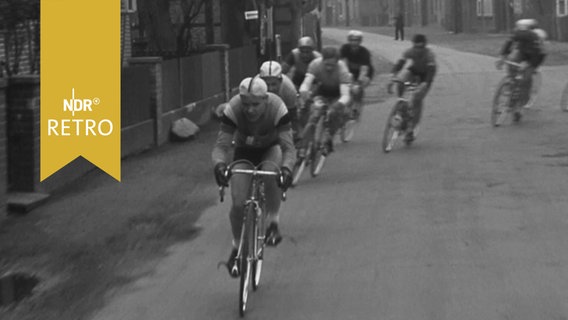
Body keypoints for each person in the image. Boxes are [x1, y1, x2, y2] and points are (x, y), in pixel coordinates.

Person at [212, 77, 296, 277]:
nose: (250, 110)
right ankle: (236, 249)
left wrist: (287, 169)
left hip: (271, 148)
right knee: (239, 203)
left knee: (270, 171)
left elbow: (288, 147)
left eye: (255, 104)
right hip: (244, 150)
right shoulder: (232, 109)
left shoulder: (277, 107)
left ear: (266, 99)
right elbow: (221, 146)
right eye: (246, 104)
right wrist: (219, 166)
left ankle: (273, 223)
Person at [299, 46, 352, 155]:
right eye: (326, 64)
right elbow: (307, 82)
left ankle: (329, 138)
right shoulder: (315, 64)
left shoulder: (342, 70)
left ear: (337, 62)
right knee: (314, 116)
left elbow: (345, 95)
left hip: (338, 94)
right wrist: (304, 92)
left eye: (331, 65)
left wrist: (338, 105)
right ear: (322, 59)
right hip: (322, 91)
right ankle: (303, 147)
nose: (328, 68)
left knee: (334, 115)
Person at [389, 34, 436, 143]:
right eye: (416, 47)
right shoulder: (410, 51)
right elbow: (401, 63)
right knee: (400, 80)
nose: (418, 50)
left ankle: (411, 129)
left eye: (421, 47)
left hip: (426, 76)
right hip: (414, 71)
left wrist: (425, 83)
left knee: (416, 98)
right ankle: (401, 102)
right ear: (413, 45)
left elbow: (431, 70)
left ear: (424, 46)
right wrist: (393, 75)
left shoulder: (429, 54)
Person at [496, 19, 545, 113]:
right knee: (512, 63)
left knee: (526, 79)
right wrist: (502, 57)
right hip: (523, 52)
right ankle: (512, 85)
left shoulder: (537, 36)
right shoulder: (518, 34)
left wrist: (530, 64)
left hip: (536, 56)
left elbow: (539, 54)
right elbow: (509, 44)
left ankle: (522, 103)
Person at [259, 60, 302, 140]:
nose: (270, 88)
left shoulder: (289, 89)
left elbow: (292, 115)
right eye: (267, 84)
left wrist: (294, 132)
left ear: (280, 81)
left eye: (274, 84)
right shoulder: (255, 86)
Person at [340, 30, 374, 119]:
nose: (354, 43)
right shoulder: (345, 49)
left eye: (356, 40)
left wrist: (358, 83)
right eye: (352, 40)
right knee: (344, 86)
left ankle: (356, 106)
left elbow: (364, 70)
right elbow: (341, 63)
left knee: (357, 89)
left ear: (360, 41)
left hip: (365, 73)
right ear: (348, 40)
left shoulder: (364, 52)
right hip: (350, 71)